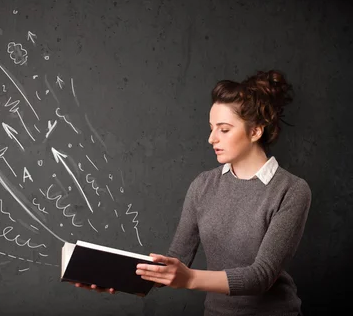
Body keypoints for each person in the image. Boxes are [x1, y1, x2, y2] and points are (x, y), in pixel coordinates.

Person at [71, 70, 311, 316]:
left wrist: (189, 279)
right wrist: (115, 277)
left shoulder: (291, 190)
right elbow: (177, 261)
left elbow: (261, 276)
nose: (211, 138)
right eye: (211, 128)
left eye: (224, 129)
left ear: (255, 132)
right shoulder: (203, 185)